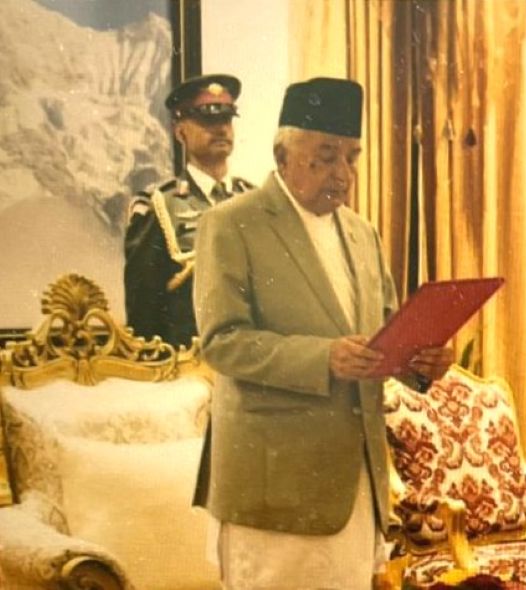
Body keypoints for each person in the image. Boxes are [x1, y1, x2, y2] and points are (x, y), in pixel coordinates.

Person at [192, 77, 453, 590]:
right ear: (282, 154)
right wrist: (324, 358)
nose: (344, 173)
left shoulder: (361, 232)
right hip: (272, 487)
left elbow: (385, 334)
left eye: (352, 157)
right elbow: (221, 342)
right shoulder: (232, 224)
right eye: (326, 156)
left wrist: (420, 362)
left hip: (356, 483)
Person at [123, 73, 255, 347]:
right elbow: (143, 314)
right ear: (180, 131)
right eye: (207, 120)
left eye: (226, 119)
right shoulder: (159, 206)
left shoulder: (253, 200)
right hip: (190, 369)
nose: (221, 129)